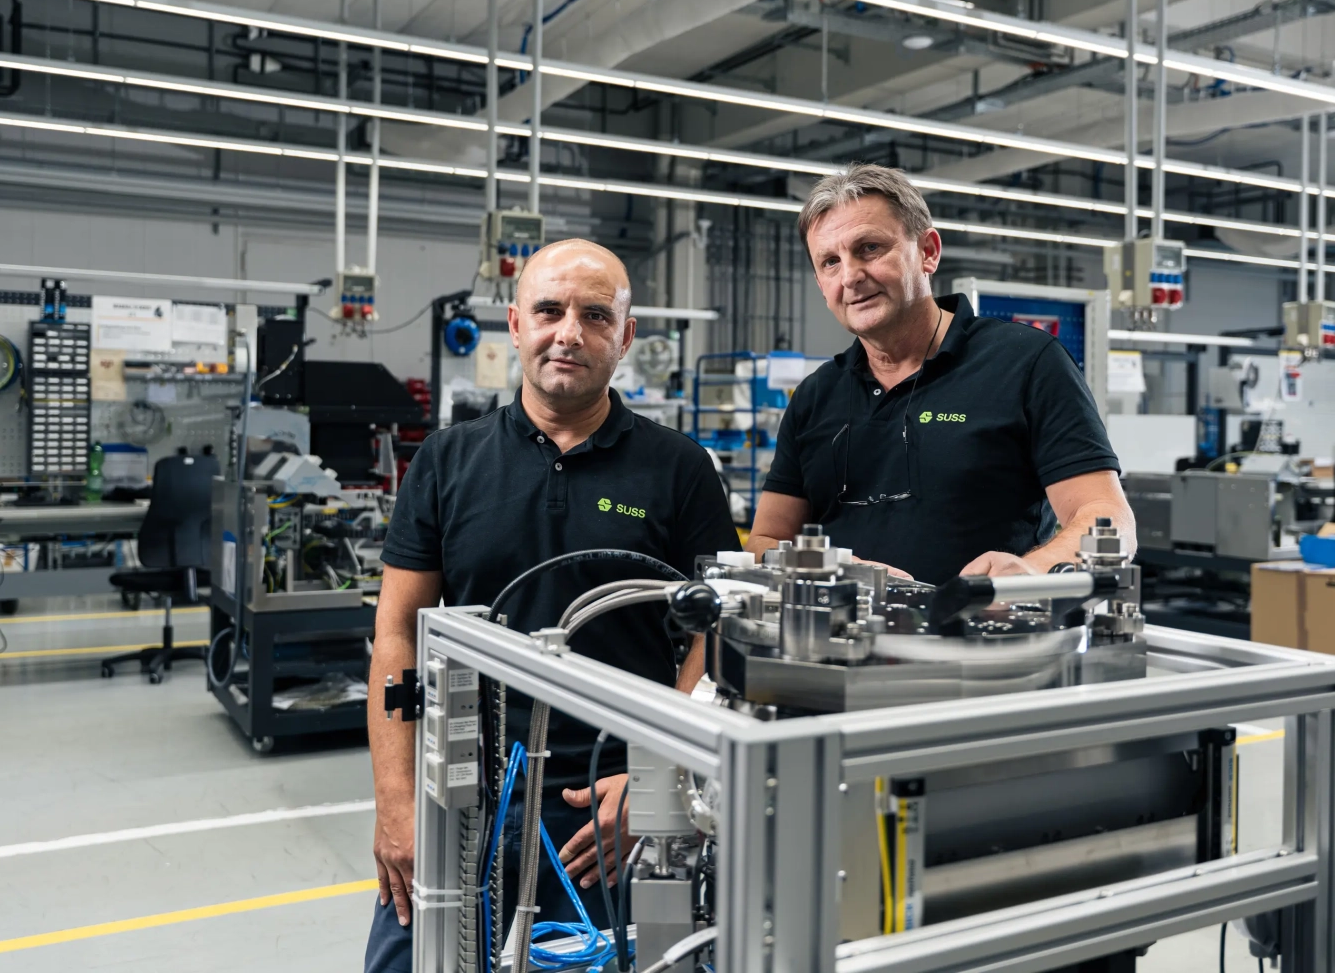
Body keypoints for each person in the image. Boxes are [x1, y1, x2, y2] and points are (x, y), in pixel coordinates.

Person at [365, 240, 739, 973]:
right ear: (515, 323)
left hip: (607, 811)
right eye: (549, 309)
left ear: (625, 336)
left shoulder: (681, 469)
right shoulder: (447, 461)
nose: (568, 331)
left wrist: (658, 781)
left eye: (595, 315)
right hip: (460, 795)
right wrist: (396, 802)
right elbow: (397, 637)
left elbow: (715, 630)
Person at [749, 162, 1133, 582]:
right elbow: (765, 540)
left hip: (986, 637)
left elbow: (1107, 518)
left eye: (870, 249)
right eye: (829, 263)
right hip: (839, 641)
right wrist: (838, 569)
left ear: (928, 252)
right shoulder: (815, 396)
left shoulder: (1026, 362)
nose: (851, 277)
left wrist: (1032, 570)